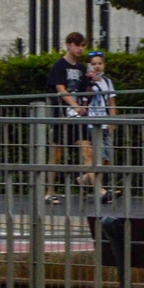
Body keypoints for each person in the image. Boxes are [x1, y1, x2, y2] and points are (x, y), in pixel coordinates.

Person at [44, 33, 90, 204]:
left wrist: (84, 104)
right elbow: (60, 89)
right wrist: (74, 105)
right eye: (77, 45)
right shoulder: (59, 66)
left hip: (78, 117)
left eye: (83, 45)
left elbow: (86, 90)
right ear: (68, 45)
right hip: (63, 116)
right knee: (57, 154)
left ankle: (91, 187)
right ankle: (49, 191)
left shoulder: (82, 68)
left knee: (87, 150)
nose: (80, 49)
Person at [79, 50, 118, 203]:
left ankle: (83, 180)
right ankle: (101, 191)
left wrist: (112, 121)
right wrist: (89, 84)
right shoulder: (86, 81)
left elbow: (112, 103)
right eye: (93, 64)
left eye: (99, 63)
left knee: (106, 158)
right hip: (91, 123)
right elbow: (83, 102)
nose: (97, 66)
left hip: (104, 123)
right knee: (95, 157)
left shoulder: (107, 81)